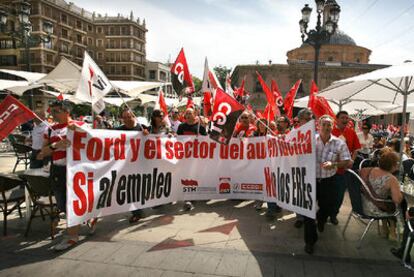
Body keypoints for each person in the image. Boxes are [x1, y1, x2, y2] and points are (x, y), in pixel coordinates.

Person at [38, 100, 97, 251]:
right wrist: (55, 145)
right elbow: (41, 153)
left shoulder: (81, 124)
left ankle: (72, 236)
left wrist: (77, 130)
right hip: (58, 170)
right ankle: (88, 217)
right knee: (63, 203)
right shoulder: (49, 129)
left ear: (66, 112)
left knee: (73, 202)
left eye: (56, 111)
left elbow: (95, 141)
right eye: (52, 111)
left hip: (77, 170)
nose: (53, 114)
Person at [304, 115, 351, 254]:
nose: (326, 127)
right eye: (323, 124)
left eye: (329, 125)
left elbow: (348, 161)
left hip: (328, 181)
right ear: (318, 125)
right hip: (310, 181)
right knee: (308, 213)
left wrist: (335, 164)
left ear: (332, 126)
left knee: (326, 208)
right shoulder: (309, 140)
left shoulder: (339, 143)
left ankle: (321, 218)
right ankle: (310, 242)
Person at [359, 148, 403, 241]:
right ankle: (393, 232)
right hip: (374, 210)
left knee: (385, 199)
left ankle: (384, 229)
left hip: (360, 204)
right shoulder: (391, 179)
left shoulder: (368, 170)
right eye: (397, 163)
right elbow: (397, 200)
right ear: (393, 165)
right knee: (397, 204)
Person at [116, 108, 149, 223]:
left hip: (141, 163)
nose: (126, 120)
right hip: (126, 165)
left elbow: (156, 137)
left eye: (128, 117)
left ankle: (140, 207)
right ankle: (136, 212)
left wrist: (147, 135)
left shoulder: (142, 128)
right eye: (124, 117)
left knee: (140, 189)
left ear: (133, 117)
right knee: (130, 189)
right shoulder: (118, 130)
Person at [331, 111, 361, 225]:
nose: (345, 120)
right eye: (342, 118)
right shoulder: (331, 131)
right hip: (330, 169)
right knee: (328, 193)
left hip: (344, 170)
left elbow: (356, 149)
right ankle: (325, 212)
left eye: (347, 118)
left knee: (339, 194)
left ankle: (334, 214)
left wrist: (352, 160)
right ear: (337, 120)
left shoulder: (351, 132)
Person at [177, 107, 207, 211]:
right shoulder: (181, 127)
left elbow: (207, 141)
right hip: (186, 157)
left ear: (195, 114)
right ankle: (188, 199)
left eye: (190, 113)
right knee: (188, 177)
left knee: (196, 176)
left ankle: (195, 195)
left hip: (198, 158)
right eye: (187, 114)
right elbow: (178, 140)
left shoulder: (200, 127)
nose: (188, 116)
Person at [293, 108, 313, 228]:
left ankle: (310, 215)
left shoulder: (316, 133)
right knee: (299, 193)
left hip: (312, 169)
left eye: (310, 119)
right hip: (298, 168)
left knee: (310, 194)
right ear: (300, 120)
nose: (309, 121)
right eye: (306, 119)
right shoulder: (293, 133)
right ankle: (299, 217)